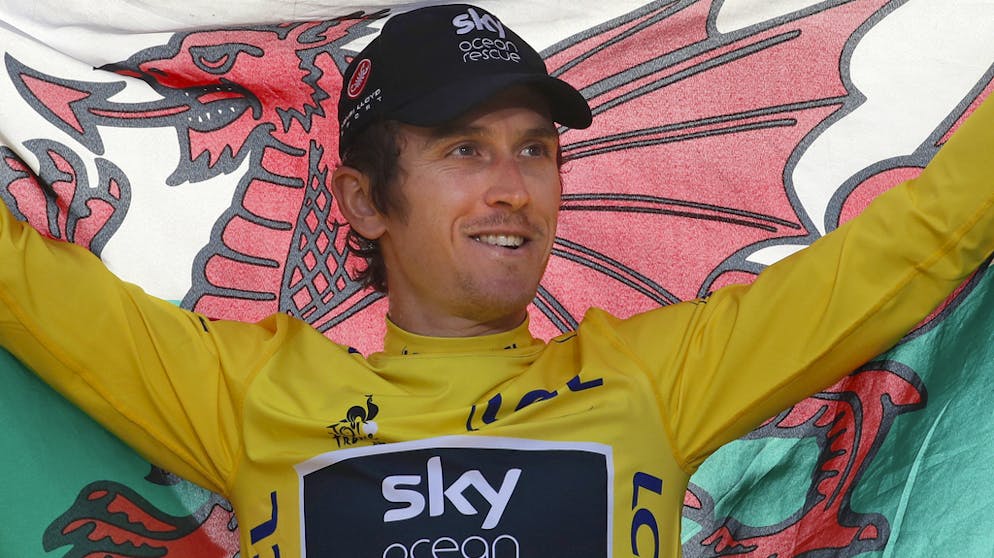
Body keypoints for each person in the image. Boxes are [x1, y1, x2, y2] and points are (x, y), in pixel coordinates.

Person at [1, 3, 993, 557]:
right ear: (363, 200)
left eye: (534, 149)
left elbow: (929, 235)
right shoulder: (251, 394)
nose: (513, 187)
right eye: (464, 150)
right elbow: (19, 284)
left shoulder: (657, 377)